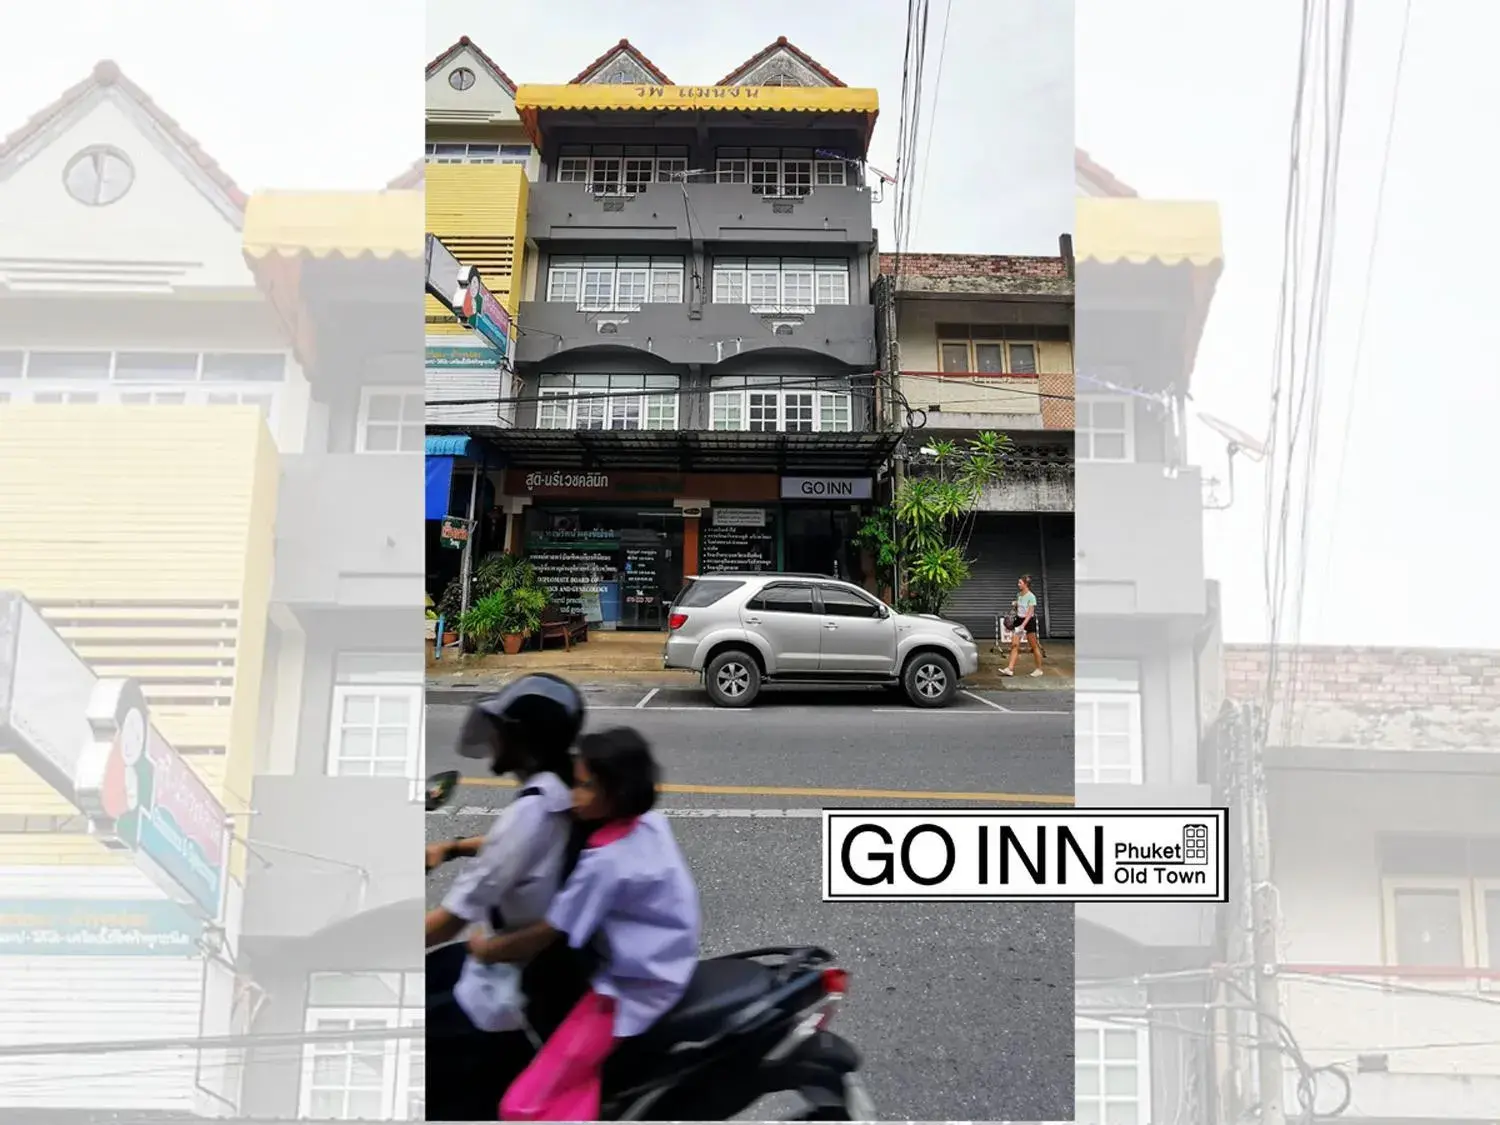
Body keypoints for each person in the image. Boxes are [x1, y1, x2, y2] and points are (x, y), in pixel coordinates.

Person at [466, 727, 701, 1122]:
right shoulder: (649, 824)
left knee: (521, 1107)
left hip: (632, 987)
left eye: (584, 786)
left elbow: (547, 932)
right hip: (670, 957)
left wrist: (484, 948)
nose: (574, 796)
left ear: (615, 791)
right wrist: (460, 846)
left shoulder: (605, 864)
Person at [424, 673, 594, 1121]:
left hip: (504, 994)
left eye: (501, 728)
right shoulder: (560, 790)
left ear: (523, 739)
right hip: (532, 963)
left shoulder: (531, 813)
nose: (492, 738)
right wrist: (454, 847)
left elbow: (448, 921)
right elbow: (518, 847)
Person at [1000, 575, 1045, 678]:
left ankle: (1039, 669)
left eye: (1020, 583)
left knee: (1034, 647)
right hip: (1019, 620)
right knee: (1014, 645)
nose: (1018, 584)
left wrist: (1023, 626)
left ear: (1026, 584)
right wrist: (1016, 604)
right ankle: (1010, 669)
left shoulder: (1031, 597)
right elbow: (1019, 608)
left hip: (1028, 622)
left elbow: (1030, 613)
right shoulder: (1019, 595)